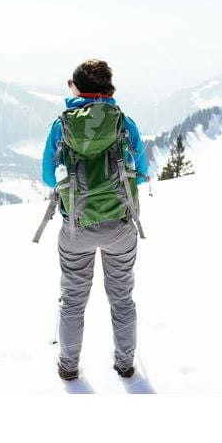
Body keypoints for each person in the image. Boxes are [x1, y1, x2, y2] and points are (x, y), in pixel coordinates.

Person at [41, 59, 148, 381]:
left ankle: (69, 366)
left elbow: (48, 177)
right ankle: (125, 364)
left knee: (72, 300)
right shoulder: (123, 123)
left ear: (77, 87)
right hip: (119, 226)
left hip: (75, 226)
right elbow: (141, 174)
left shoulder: (61, 125)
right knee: (122, 298)